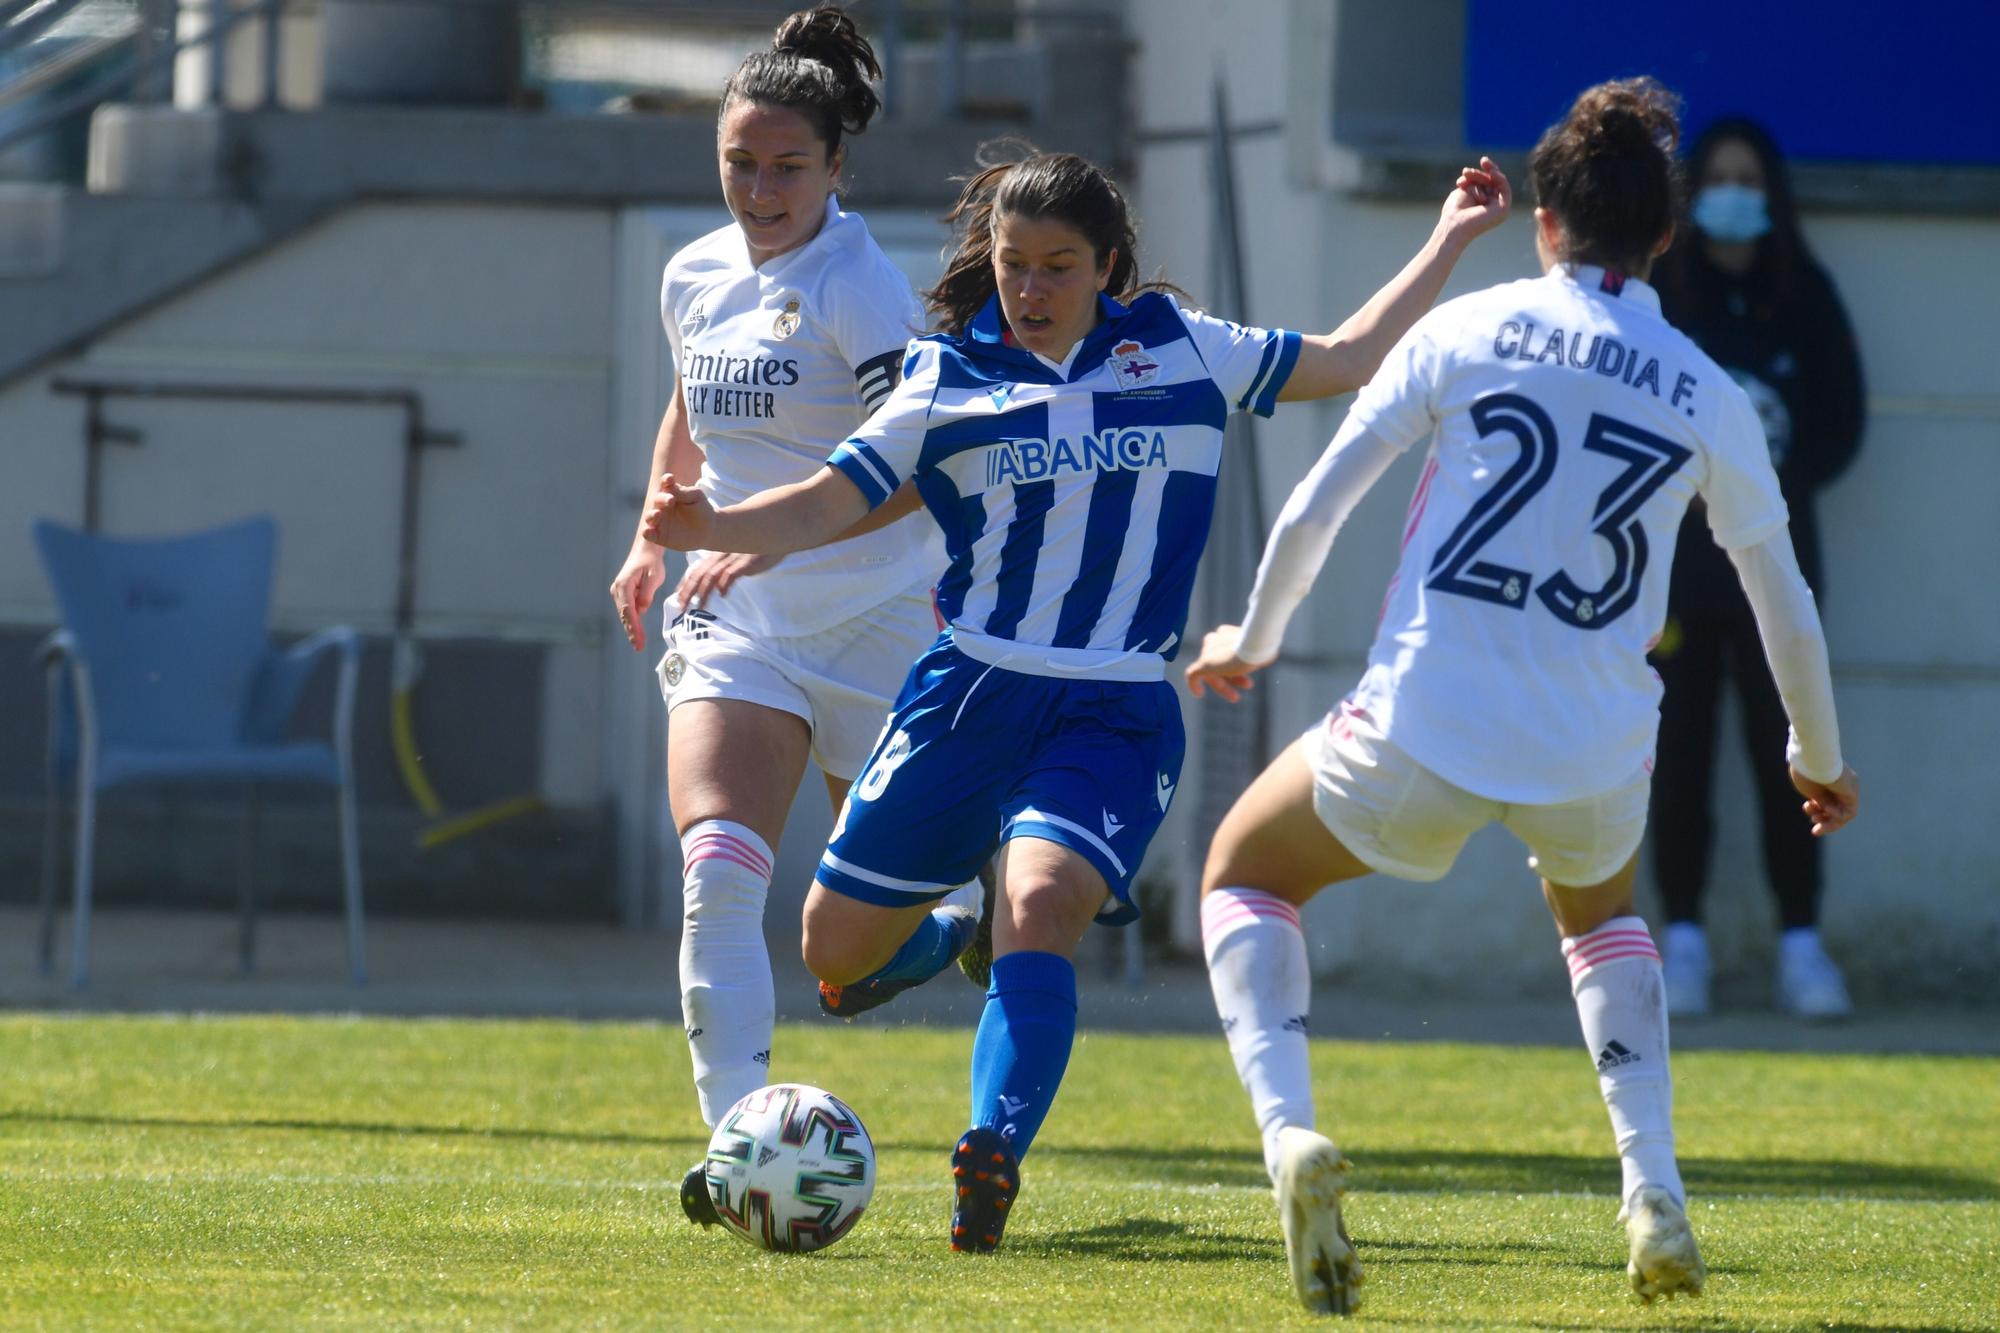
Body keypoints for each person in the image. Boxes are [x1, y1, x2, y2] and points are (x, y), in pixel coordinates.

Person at [642, 143, 1514, 1253]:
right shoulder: (944, 377)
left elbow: (1345, 358)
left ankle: (990, 1151)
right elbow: (824, 502)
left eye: (1058, 266)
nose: (1031, 288)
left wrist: (1447, 235)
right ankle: (947, 931)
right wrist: (712, 527)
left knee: (1043, 907)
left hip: (1108, 708)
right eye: (1013, 264)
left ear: (1107, 267)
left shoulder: (1180, 348)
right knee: (832, 948)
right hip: (967, 693)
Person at [1180, 77, 1859, 1315]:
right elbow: (1782, 598)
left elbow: (1318, 500)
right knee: (1600, 922)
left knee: (1240, 872)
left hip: (1422, 720)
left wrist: (1250, 637)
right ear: (1661, 234)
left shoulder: (1464, 329)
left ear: (1544, 216)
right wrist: (1814, 755)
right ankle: (1650, 1186)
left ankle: (1287, 1134)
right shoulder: (1702, 386)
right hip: (1595, 745)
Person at [605, 4, 977, 1232]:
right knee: (717, 872)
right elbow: (690, 407)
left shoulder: (860, 288)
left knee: (857, 939)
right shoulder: (692, 273)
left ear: (835, 170)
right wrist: (657, 535)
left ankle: (949, 924)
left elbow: (916, 467)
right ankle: (732, 1150)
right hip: (738, 617)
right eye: (738, 163)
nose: (758, 190)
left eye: (786, 167)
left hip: (877, 616)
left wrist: (753, 532)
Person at [1649, 117, 1866, 1020]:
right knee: (1678, 752)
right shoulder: (1664, 298)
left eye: (1750, 178)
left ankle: (1801, 943)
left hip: (1776, 570)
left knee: (1797, 755)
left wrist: (1763, 496)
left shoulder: (1807, 296)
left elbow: (1841, 426)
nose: (1734, 192)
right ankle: (1684, 939)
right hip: (1676, 576)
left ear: (1772, 194)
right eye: (1718, 176)